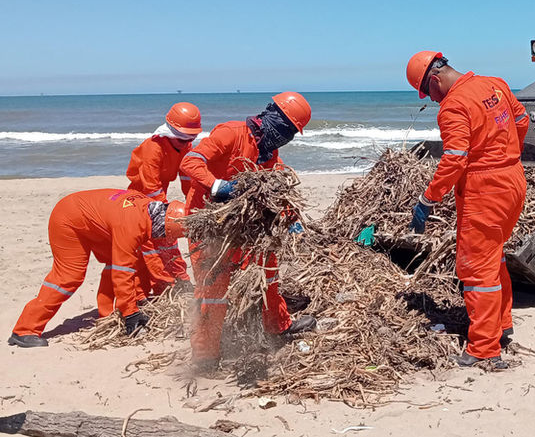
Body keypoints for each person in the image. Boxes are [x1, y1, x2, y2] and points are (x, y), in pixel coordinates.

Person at [405, 51, 529, 369]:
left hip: (485, 189)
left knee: (476, 271)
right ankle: (502, 325)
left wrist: (427, 199)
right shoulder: (494, 84)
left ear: (435, 80)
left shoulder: (453, 106)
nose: (431, 100)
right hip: (513, 180)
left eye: (427, 92)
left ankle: (485, 348)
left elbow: (455, 159)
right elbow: (521, 120)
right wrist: (505, 153)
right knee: (494, 256)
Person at [179, 92, 316, 369]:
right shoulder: (230, 133)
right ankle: (205, 356)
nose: (287, 137)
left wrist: (290, 217)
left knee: (268, 269)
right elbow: (190, 162)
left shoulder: (269, 153)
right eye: (286, 129)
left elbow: (273, 191)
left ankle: (278, 326)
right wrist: (217, 186)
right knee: (213, 289)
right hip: (207, 223)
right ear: (271, 118)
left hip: (241, 227)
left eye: (292, 133)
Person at [8, 190, 186, 348]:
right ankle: (25, 330)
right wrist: (131, 314)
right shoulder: (130, 227)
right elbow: (122, 272)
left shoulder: (150, 209)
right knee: (69, 277)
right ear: (162, 225)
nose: (161, 237)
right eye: (164, 234)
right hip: (68, 220)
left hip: (93, 220)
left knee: (126, 260)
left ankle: (106, 315)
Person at [126, 102, 202, 293]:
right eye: (182, 139)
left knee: (168, 240)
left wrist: (195, 206)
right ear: (171, 132)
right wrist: (165, 213)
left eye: (190, 139)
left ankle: (179, 281)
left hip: (159, 194)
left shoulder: (185, 146)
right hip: (140, 199)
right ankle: (167, 286)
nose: (186, 143)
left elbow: (188, 180)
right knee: (154, 243)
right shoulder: (153, 148)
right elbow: (150, 187)